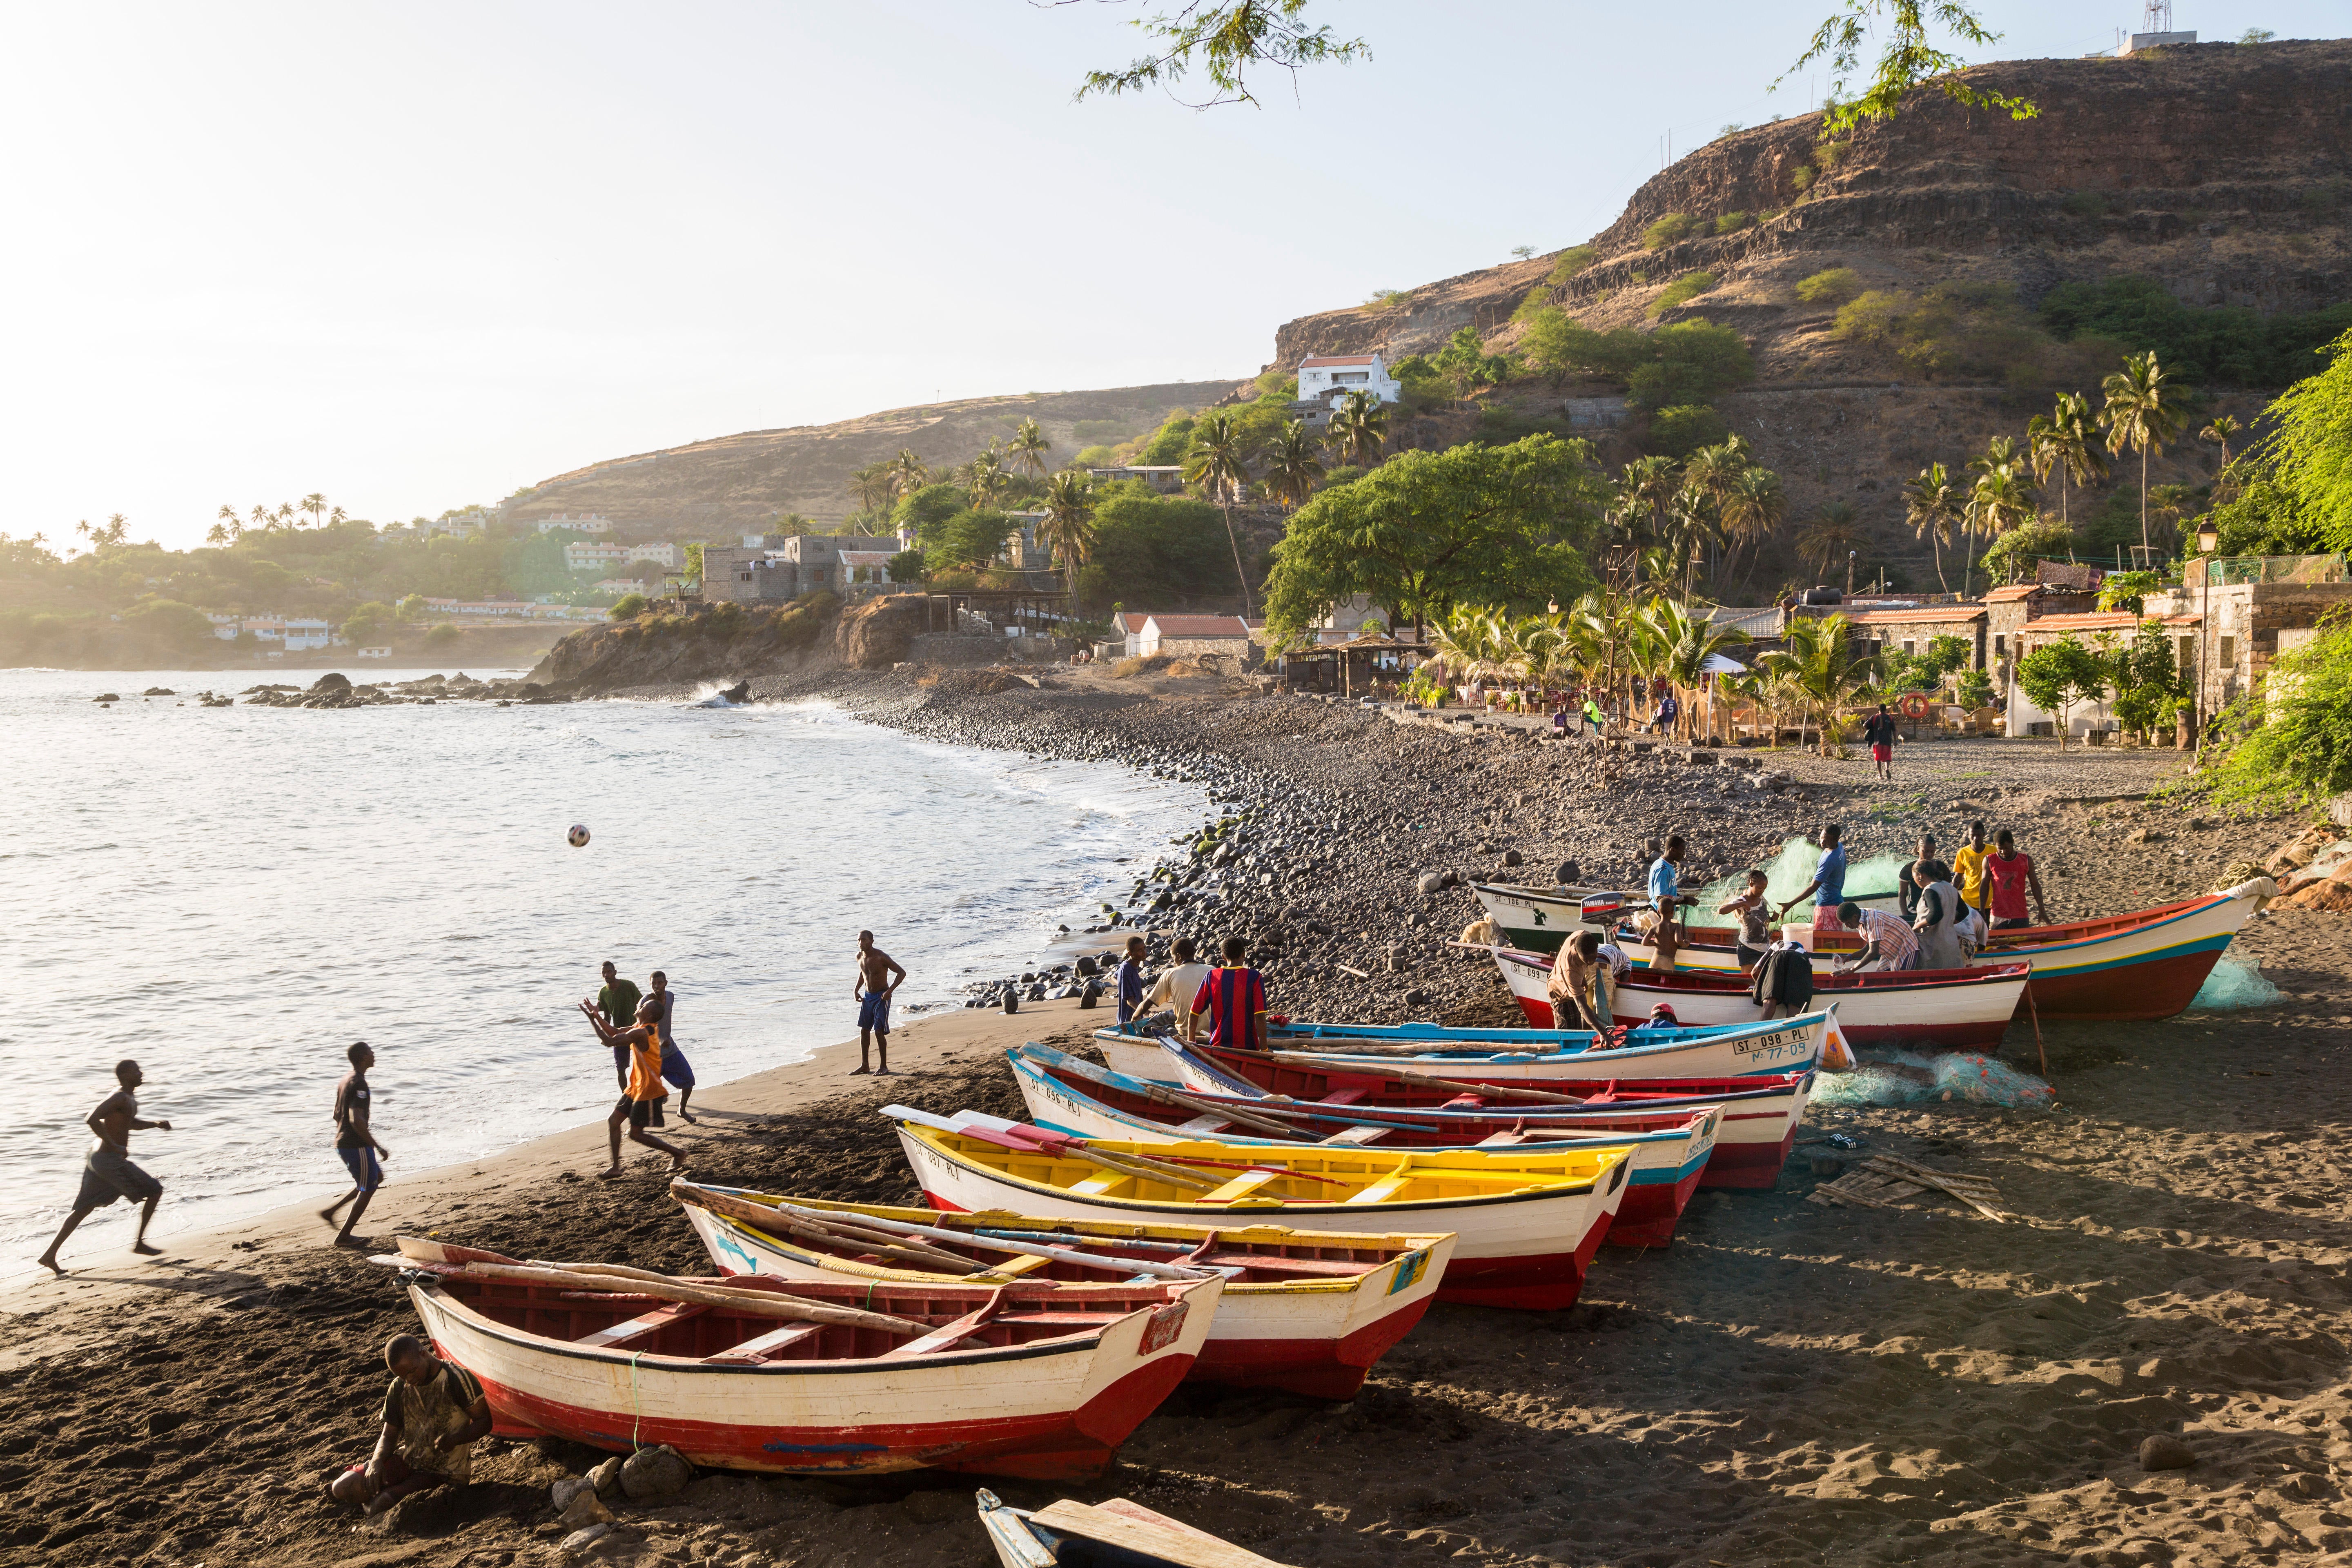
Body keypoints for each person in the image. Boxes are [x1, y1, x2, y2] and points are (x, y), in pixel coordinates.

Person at [328, 1334, 492, 1515]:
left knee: (379, 1505)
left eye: (413, 1371)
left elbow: (485, 1422)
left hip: (445, 1473)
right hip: (408, 1460)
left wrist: (455, 1439)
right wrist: (377, 1462)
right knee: (341, 1487)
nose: (410, 1380)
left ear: (423, 1353)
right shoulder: (399, 1387)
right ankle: (379, 1494)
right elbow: (389, 1435)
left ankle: (376, 1500)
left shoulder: (457, 1378)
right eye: (403, 1376)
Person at [38, 1060, 172, 1276]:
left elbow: (129, 1123)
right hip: (108, 1159)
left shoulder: (127, 1097)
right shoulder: (119, 1096)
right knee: (155, 1190)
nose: (141, 1073)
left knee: (84, 1209)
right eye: (136, 1070)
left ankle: (49, 1256)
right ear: (125, 1075)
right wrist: (114, 1145)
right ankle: (139, 1243)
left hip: (98, 1159)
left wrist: (154, 1125)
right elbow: (91, 1118)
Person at [578, 997, 689, 1179]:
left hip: (648, 1089)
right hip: (636, 1087)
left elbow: (608, 1041)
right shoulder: (639, 1028)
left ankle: (678, 1153)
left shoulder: (643, 1033)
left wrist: (591, 1020)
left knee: (636, 1134)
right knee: (614, 1122)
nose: (640, 1005)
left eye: (644, 1006)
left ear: (650, 1014)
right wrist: (597, 1016)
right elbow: (614, 1031)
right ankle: (615, 1168)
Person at [321, 1042, 391, 1249]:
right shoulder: (359, 1083)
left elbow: (336, 1115)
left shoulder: (346, 1080)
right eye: (370, 1051)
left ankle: (331, 1212)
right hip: (355, 1144)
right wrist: (376, 1146)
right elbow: (356, 1120)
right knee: (369, 1186)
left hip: (346, 1142)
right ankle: (344, 1236)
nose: (374, 1054)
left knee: (375, 1178)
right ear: (363, 1057)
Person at [1190, 936, 1269, 1051]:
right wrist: (1265, 1049)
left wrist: (1191, 1042)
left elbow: (1194, 1012)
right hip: (1249, 1048)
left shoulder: (1212, 976)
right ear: (1244, 954)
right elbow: (1260, 1016)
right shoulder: (1254, 977)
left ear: (1223, 957)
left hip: (1218, 1046)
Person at [1546, 931, 1629, 1036]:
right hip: (1561, 996)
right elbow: (1582, 1007)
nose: (1590, 963)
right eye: (1586, 961)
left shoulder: (1582, 935)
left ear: (1597, 947)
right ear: (1577, 952)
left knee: (1579, 1031)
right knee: (1570, 1036)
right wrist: (1602, 1033)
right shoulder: (1571, 972)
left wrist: (1584, 979)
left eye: (1593, 959)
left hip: (1572, 989)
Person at [852, 930, 906, 1076]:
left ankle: (884, 1066)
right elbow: (864, 973)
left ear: (872, 941)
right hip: (867, 997)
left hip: (882, 997)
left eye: (864, 940)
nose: (860, 943)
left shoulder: (881, 957)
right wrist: (856, 990)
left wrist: (890, 992)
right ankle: (865, 1065)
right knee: (864, 1031)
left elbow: (902, 973)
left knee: (878, 1031)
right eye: (859, 940)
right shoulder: (859, 957)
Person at [646, 971, 695, 1125]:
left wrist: (665, 1038)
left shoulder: (671, 997)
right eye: (654, 983)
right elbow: (637, 1020)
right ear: (650, 984)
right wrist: (657, 1038)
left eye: (660, 983)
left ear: (666, 983)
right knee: (643, 1093)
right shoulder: (646, 1001)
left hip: (671, 1050)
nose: (657, 986)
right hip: (652, 1055)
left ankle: (682, 1110)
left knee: (689, 1081)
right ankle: (637, 1125)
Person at [1778, 824, 1847, 931]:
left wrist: (1790, 904)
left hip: (1826, 908)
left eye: (1826, 840)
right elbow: (1825, 847)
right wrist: (1814, 844)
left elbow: (1813, 887)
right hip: (1836, 903)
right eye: (1821, 838)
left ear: (1835, 840)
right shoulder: (1840, 847)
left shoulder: (1829, 861)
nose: (1822, 842)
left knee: (1827, 943)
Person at [1144, 936, 1212, 1041]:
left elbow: (1149, 1002)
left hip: (1185, 1033)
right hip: (1211, 1030)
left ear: (1179, 956)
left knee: (1154, 1027)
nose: (1174, 961)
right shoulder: (1212, 970)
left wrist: (1135, 1017)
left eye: (1173, 958)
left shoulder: (1170, 974)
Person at [1984, 828, 2049, 928]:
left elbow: (2035, 885)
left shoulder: (2026, 860)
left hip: (2020, 915)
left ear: (2013, 843)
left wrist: (2042, 910)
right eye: (2000, 849)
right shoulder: (1990, 860)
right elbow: (1984, 886)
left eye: (2007, 848)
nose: (2003, 852)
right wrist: (1981, 910)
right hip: (1998, 915)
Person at [1911, 860, 1967, 971]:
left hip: (1932, 948)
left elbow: (1936, 915)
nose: (1916, 882)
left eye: (1914, 878)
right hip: (1950, 944)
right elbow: (1964, 912)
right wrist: (1947, 923)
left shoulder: (1930, 890)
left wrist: (1917, 927)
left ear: (1920, 876)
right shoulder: (1950, 888)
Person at [595, 960, 641, 1091]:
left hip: (637, 1030)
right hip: (619, 1034)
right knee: (621, 1068)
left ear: (615, 972)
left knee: (644, 1063)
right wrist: (605, 1035)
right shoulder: (603, 993)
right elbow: (607, 1017)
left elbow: (642, 1005)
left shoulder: (628, 986)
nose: (607, 975)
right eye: (604, 973)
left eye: (609, 972)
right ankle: (626, 1096)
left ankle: (650, 1092)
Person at [1836, 900, 1919, 973]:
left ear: (1855, 917)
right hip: (1890, 952)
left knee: (1901, 979)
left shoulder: (1872, 920)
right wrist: (1850, 957)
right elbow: (1870, 946)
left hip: (1906, 948)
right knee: (1880, 976)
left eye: (1847, 923)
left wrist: (1852, 969)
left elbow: (1873, 952)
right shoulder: (1860, 919)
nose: (1847, 926)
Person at [1718, 869, 1773, 971]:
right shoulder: (1741, 901)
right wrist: (1742, 904)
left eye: (1764, 889)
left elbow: (1761, 920)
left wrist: (1772, 919)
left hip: (1765, 949)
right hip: (1748, 949)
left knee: (1764, 981)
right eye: (1760, 888)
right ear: (1751, 884)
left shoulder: (1762, 899)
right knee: (1748, 982)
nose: (1762, 891)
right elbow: (1721, 911)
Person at [1951, 820, 1994, 922]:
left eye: (1979, 835)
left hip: (1989, 901)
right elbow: (1958, 876)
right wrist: (1951, 894)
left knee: (1986, 933)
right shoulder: (1963, 853)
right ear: (1968, 836)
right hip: (1968, 900)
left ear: (1984, 835)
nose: (1975, 839)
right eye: (1972, 836)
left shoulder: (1993, 851)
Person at [1898, 833, 1938, 922]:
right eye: (1926, 851)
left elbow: (1948, 888)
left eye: (1932, 852)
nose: (1929, 855)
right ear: (1918, 849)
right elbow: (1902, 894)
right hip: (1914, 913)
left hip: (1936, 912)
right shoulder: (1909, 869)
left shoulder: (1940, 867)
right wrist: (1906, 917)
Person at [1114, 934, 1148, 1027]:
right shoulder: (1126, 969)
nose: (1144, 952)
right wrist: (1147, 1012)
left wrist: (1122, 985)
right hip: (1128, 1021)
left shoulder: (1132, 966)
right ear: (1130, 954)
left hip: (1137, 1017)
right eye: (1140, 950)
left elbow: (1115, 976)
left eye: (1144, 948)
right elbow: (1130, 1001)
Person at [1862, 702, 1898, 782]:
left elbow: (1865, 725)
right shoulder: (1890, 718)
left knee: (1878, 759)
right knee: (1887, 758)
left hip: (1877, 742)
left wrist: (1871, 729)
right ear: (1886, 710)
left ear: (1879, 710)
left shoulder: (1874, 717)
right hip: (1887, 741)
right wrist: (1895, 741)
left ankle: (1880, 775)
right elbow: (1894, 731)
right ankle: (1887, 768)